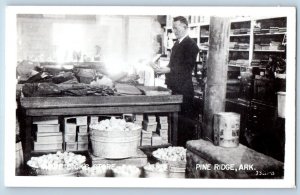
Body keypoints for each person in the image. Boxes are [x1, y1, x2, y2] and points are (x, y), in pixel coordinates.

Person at [152, 16, 200, 147]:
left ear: (185, 27)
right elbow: (173, 64)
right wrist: (162, 69)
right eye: (173, 28)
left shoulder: (191, 45)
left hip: (184, 90)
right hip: (174, 87)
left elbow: (186, 68)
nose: (174, 30)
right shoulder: (176, 44)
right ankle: (175, 148)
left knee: (184, 124)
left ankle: (183, 151)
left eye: (177, 28)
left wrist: (167, 70)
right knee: (175, 123)